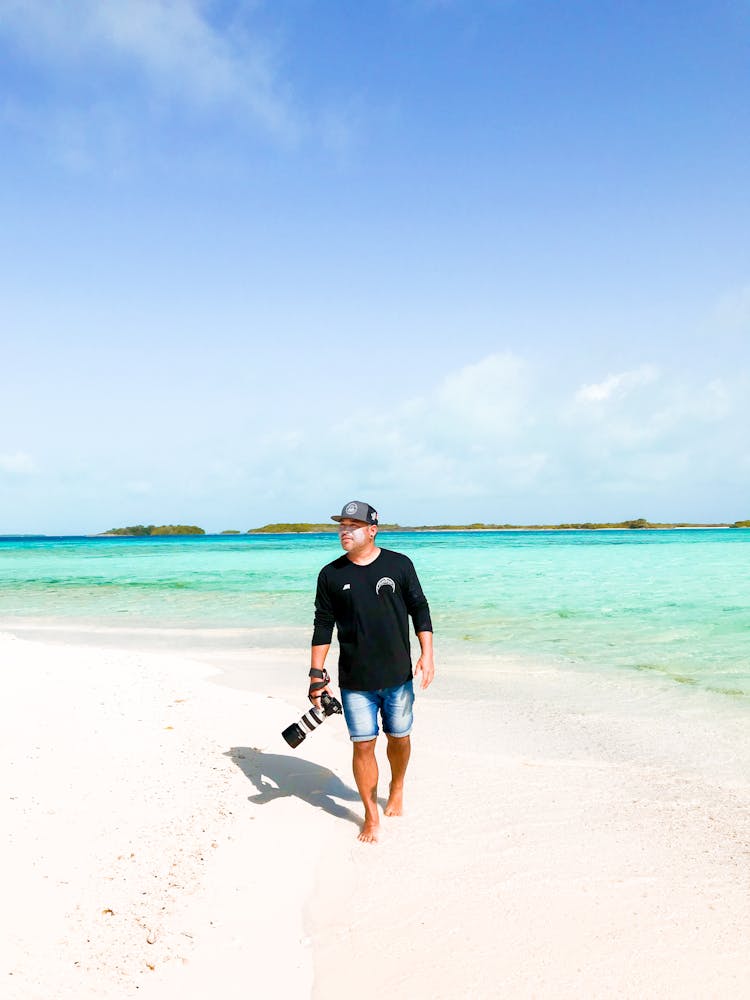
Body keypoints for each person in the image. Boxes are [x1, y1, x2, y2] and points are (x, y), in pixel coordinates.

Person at [309, 500, 434, 843]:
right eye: (341, 526)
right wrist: (315, 674)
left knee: (399, 738)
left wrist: (428, 653)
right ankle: (370, 814)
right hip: (355, 681)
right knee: (362, 745)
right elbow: (323, 625)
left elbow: (419, 608)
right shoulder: (331, 575)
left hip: (397, 676)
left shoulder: (399, 565)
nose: (344, 531)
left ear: (372, 530)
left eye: (352, 525)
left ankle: (397, 785)